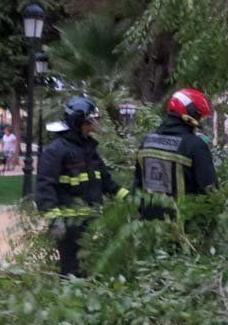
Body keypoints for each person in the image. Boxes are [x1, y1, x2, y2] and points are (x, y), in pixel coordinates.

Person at [35, 96, 129, 276]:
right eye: (88, 122)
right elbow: (44, 186)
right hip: (69, 225)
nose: (91, 126)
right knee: (71, 270)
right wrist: (55, 220)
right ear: (76, 123)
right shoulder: (56, 151)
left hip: (91, 221)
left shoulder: (89, 149)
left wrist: (129, 198)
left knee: (88, 266)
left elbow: (106, 181)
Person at [134, 88, 218, 220]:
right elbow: (210, 193)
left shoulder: (146, 142)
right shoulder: (195, 146)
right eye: (199, 117)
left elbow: (137, 189)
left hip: (148, 229)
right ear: (190, 115)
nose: (200, 121)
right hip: (182, 231)